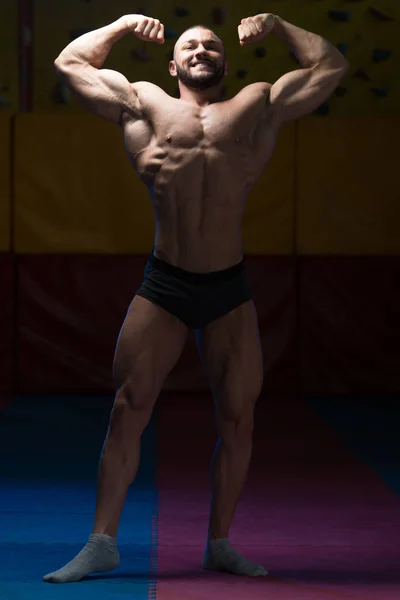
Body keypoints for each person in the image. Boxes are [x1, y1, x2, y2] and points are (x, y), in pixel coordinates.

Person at [43, 13, 349, 583]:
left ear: (225, 63)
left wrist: (280, 26)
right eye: (190, 44)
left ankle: (219, 543)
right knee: (127, 409)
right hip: (166, 284)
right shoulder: (143, 103)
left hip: (227, 287)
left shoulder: (257, 104)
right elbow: (69, 62)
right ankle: (102, 542)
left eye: (211, 44)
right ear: (172, 62)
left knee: (238, 418)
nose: (202, 49)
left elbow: (331, 64)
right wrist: (122, 24)